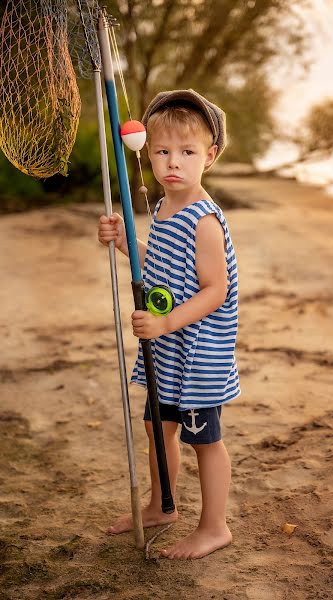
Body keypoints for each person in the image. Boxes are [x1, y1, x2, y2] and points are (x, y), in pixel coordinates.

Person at [98, 89, 240, 559]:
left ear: (209, 156)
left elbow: (214, 291)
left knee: (205, 440)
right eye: (161, 151)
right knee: (158, 427)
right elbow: (158, 266)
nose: (172, 162)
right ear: (149, 154)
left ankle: (215, 526)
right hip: (169, 351)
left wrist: (164, 323)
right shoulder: (162, 209)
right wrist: (125, 241)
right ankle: (164, 504)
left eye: (186, 152)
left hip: (197, 353)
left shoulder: (203, 220)